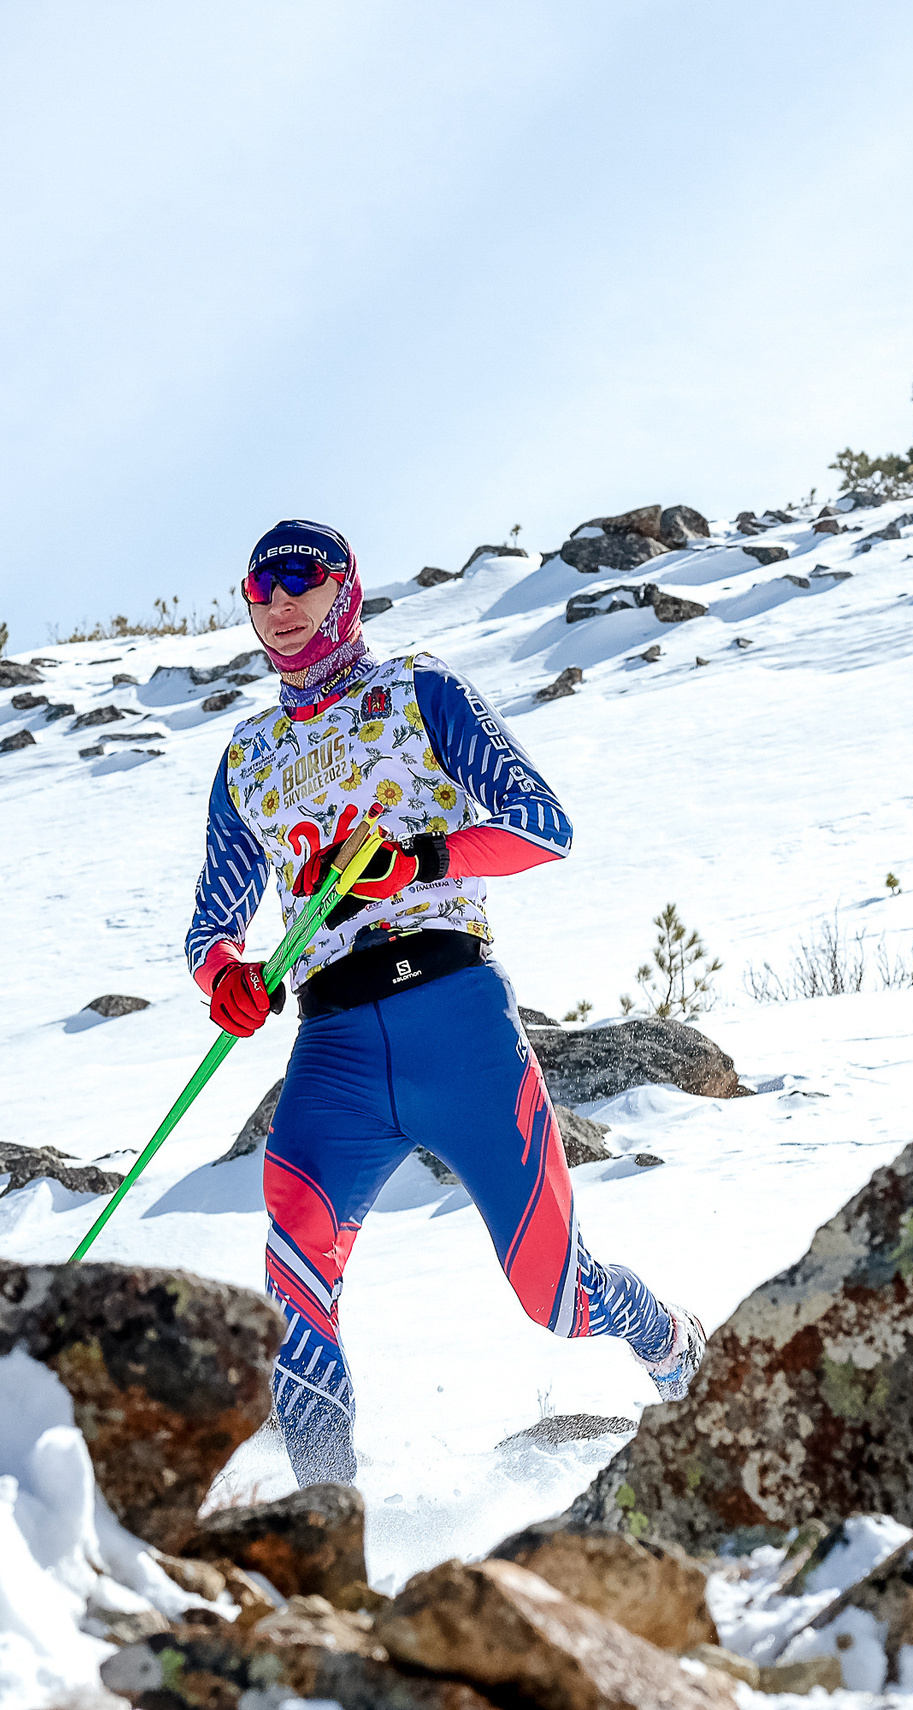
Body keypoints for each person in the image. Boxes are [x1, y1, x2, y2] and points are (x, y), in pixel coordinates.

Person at [184, 518, 704, 1486]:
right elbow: (211, 921)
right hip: (331, 1046)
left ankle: (668, 1339)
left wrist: (410, 863)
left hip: (455, 1017)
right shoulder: (245, 758)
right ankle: (326, 1523)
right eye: (259, 590)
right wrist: (228, 979)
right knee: (293, 1288)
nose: (279, 604)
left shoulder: (420, 690)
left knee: (555, 1295)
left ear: (344, 588)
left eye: (301, 580)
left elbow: (542, 827)